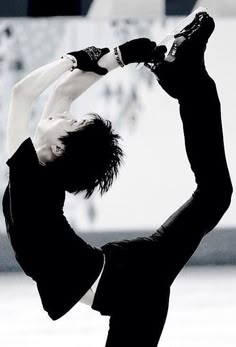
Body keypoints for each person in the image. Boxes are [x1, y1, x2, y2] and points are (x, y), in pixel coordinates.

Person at [2, 11, 233, 347]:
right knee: (215, 193)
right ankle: (188, 79)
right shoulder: (35, 178)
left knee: (215, 193)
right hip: (132, 280)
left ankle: (189, 79)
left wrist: (121, 57)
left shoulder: (37, 172)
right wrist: (75, 59)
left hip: (132, 281)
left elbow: (58, 93)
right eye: (72, 121)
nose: (65, 113)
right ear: (58, 146)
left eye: (70, 120)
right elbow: (26, 94)